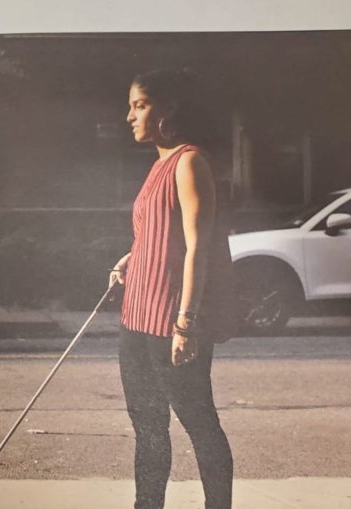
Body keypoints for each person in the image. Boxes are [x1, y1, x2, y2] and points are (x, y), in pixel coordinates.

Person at [108, 68, 235, 509]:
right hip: (135, 319)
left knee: (200, 423)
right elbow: (158, 235)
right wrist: (131, 257)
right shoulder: (158, 164)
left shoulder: (189, 161)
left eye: (139, 105)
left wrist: (187, 323)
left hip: (170, 322)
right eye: (131, 105)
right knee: (147, 428)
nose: (130, 116)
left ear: (168, 109)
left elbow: (199, 245)